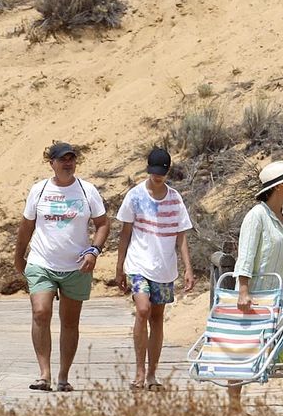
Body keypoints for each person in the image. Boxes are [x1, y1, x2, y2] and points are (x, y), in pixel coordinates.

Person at [15, 141, 109, 392]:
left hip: (77, 266)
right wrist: (18, 256)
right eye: (62, 159)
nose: (68, 163)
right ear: (52, 163)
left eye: (71, 159)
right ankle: (43, 374)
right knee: (40, 312)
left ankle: (63, 376)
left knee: (69, 322)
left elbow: (102, 223)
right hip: (42, 261)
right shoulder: (39, 190)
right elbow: (26, 226)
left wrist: (94, 250)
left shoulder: (87, 190)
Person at [227, 160, 283, 411]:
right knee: (244, 350)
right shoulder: (257, 216)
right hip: (258, 295)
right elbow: (246, 255)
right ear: (278, 186)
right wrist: (243, 290)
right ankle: (234, 407)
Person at [113, 147, 195, 391]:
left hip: (164, 267)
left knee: (157, 318)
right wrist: (120, 267)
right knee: (143, 310)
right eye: (154, 171)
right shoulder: (135, 196)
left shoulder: (175, 199)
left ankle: (151, 374)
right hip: (139, 263)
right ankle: (139, 371)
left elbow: (181, 236)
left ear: (167, 172)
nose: (157, 176)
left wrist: (188, 268)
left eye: (161, 172)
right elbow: (125, 233)